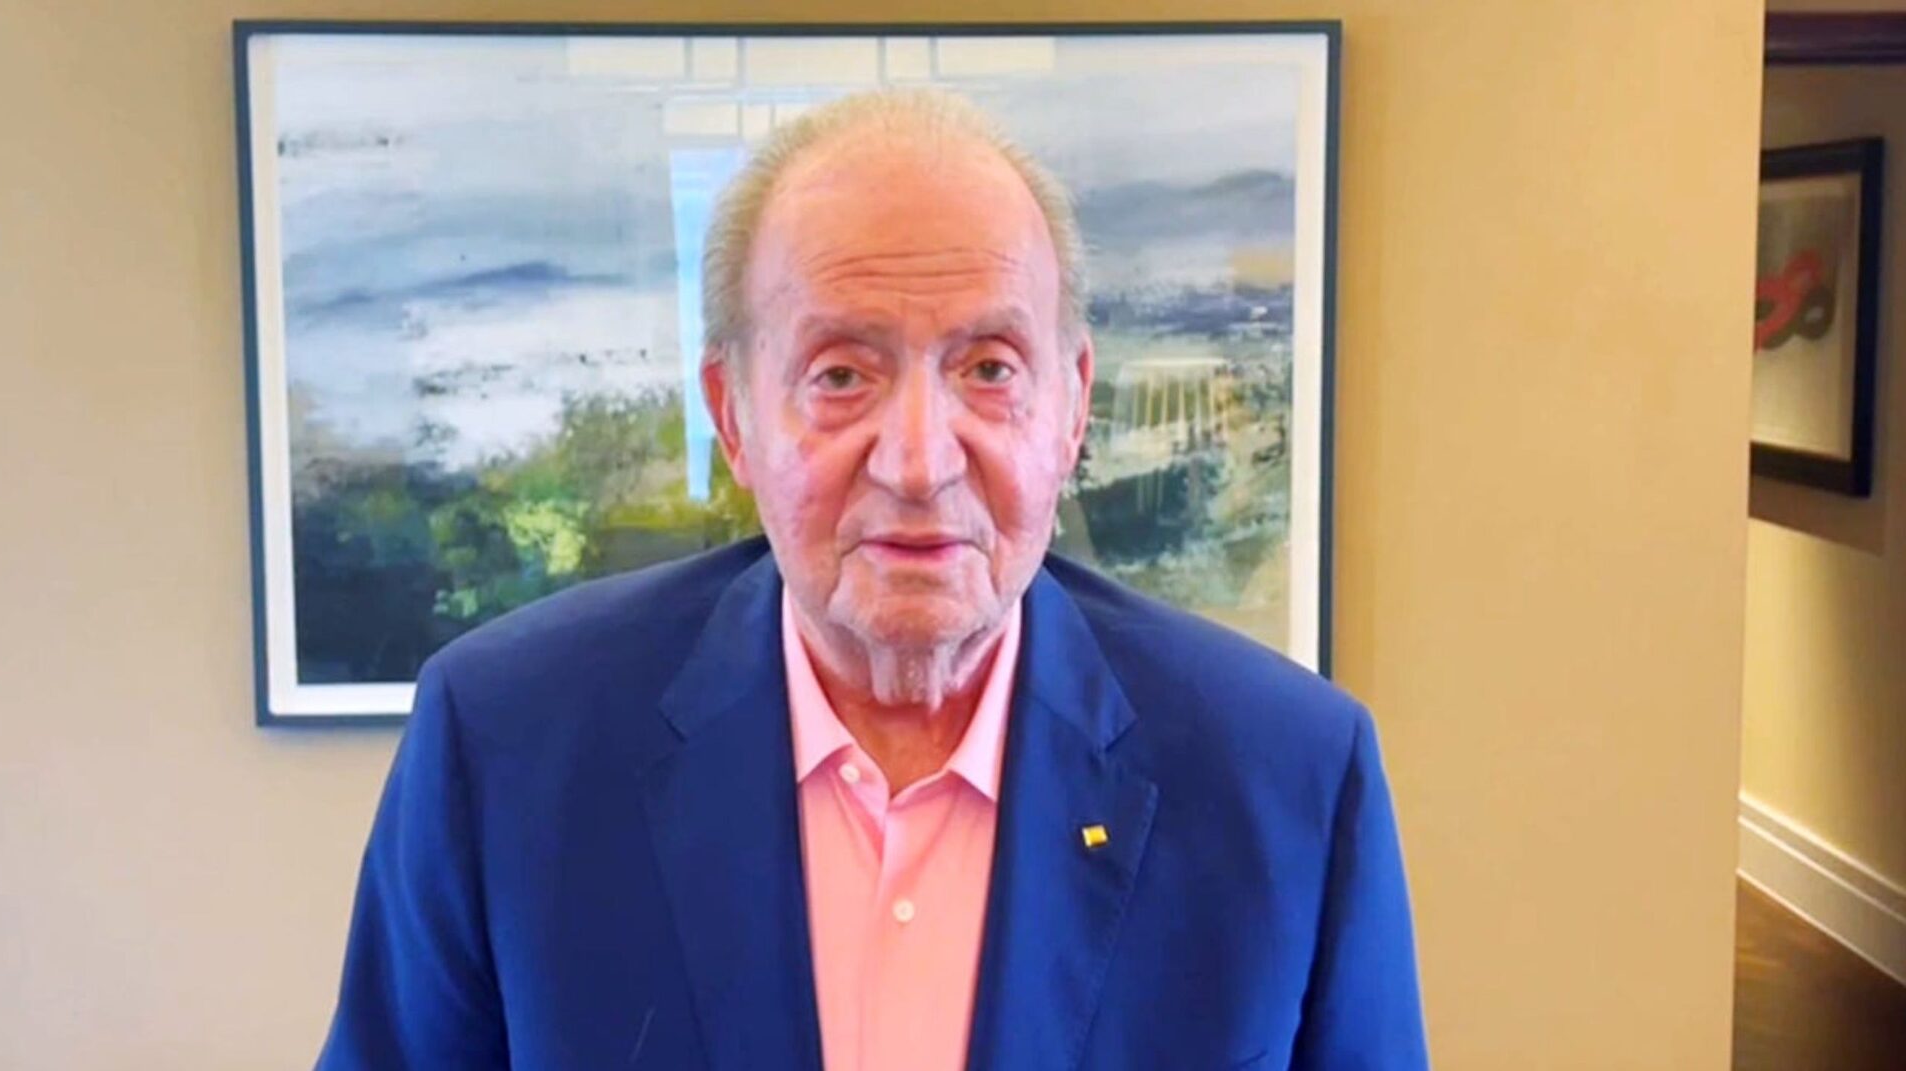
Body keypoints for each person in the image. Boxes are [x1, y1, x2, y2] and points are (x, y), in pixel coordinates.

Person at [318, 88, 1427, 1071]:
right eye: (842, 374)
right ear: (734, 417)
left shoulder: (1288, 778)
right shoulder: (506, 747)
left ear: (1072, 406)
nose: (919, 461)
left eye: (989, 368)